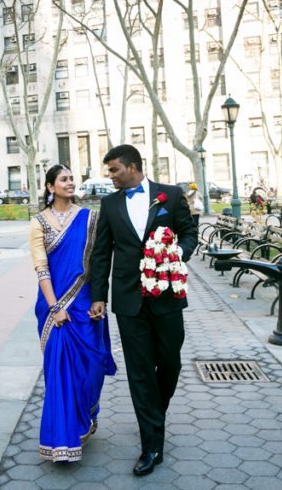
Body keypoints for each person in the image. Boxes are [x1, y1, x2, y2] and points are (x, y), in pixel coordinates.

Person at [88, 145, 198, 477]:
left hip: (166, 294)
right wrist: (99, 296)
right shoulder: (108, 204)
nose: (110, 175)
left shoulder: (170, 195)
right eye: (109, 171)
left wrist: (176, 254)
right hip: (128, 300)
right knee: (138, 371)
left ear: (133, 167)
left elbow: (189, 231)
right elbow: (101, 252)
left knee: (169, 360)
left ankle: (154, 413)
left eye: (114, 170)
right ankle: (151, 445)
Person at [28, 164, 116, 463]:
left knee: (91, 368)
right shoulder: (39, 222)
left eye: (71, 179)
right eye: (63, 179)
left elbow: (98, 262)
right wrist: (56, 308)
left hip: (87, 304)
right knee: (61, 372)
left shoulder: (90, 218)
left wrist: (99, 299)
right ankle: (62, 440)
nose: (70, 182)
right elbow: (42, 269)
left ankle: (87, 416)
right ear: (50, 187)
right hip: (55, 308)